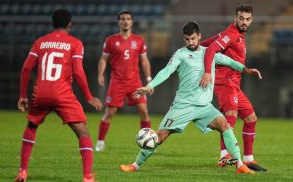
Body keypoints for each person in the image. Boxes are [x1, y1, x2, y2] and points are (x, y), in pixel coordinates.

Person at [119, 21, 262, 174]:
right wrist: (150, 86)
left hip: (204, 107)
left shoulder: (209, 53)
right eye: (187, 39)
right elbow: (166, 71)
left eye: (193, 38)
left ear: (199, 36)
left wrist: (246, 70)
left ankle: (240, 165)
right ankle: (135, 165)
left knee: (225, 126)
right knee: (159, 137)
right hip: (183, 106)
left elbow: (230, 62)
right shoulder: (181, 54)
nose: (190, 42)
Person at [14, 9, 103, 182]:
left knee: (31, 127)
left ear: (53, 23)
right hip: (62, 94)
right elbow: (78, 71)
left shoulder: (40, 42)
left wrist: (23, 96)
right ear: (70, 23)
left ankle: (23, 172)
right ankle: (87, 177)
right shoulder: (75, 43)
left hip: (40, 92)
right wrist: (88, 96)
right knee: (83, 132)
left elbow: (26, 69)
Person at [199, 3, 267, 171]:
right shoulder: (232, 34)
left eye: (248, 19)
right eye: (241, 18)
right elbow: (211, 50)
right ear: (235, 18)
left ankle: (249, 159)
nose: (244, 22)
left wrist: (194, 49)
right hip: (225, 82)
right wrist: (207, 71)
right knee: (230, 117)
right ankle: (224, 156)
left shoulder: (232, 34)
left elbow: (206, 45)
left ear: (252, 20)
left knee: (251, 119)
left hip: (235, 83)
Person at [95, 10, 153, 151]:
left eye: (128, 18)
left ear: (132, 21)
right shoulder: (111, 40)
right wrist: (100, 74)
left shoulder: (138, 40)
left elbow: (144, 60)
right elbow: (104, 59)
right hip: (117, 82)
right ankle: (100, 142)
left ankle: (147, 143)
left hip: (135, 83)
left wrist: (149, 79)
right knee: (109, 112)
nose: (125, 21)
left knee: (144, 111)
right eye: (122, 19)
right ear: (119, 22)